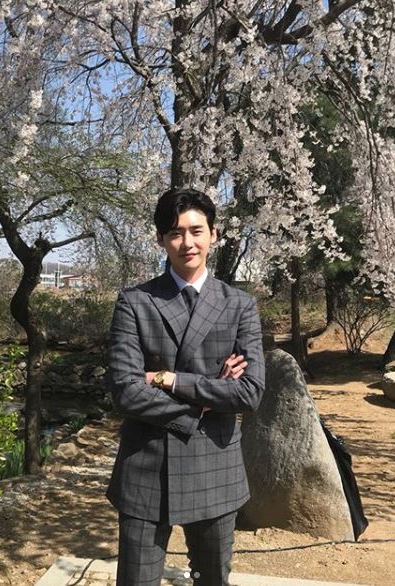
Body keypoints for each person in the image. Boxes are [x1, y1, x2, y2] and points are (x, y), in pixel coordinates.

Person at [106, 188, 265, 585]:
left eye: (196, 231)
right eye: (175, 233)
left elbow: (249, 392)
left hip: (215, 465)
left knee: (212, 579)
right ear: (161, 239)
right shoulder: (135, 302)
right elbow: (125, 390)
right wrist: (206, 401)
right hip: (145, 465)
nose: (187, 242)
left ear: (214, 235)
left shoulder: (239, 305)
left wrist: (169, 379)